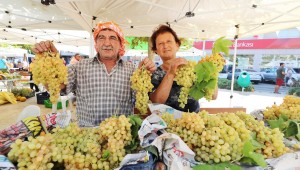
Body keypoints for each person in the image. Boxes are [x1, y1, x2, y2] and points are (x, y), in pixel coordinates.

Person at [32, 21, 156, 127]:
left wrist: (143, 74)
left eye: (112, 38)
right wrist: (51, 61)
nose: (107, 43)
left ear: (120, 44)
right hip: (88, 134)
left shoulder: (132, 70)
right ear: (96, 44)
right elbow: (57, 87)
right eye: (101, 38)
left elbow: (141, 103)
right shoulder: (80, 66)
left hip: (121, 135)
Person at [149, 25, 217, 112]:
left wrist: (211, 71)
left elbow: (213, 96)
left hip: (193, 123)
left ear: (177, 45)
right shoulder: (154, 74)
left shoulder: (192, 68)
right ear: (156, 50)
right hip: (166, 123)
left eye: (169, 41)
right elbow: (157, 102)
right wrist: (171, 73)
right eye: (160, 43)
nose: (165, 46)